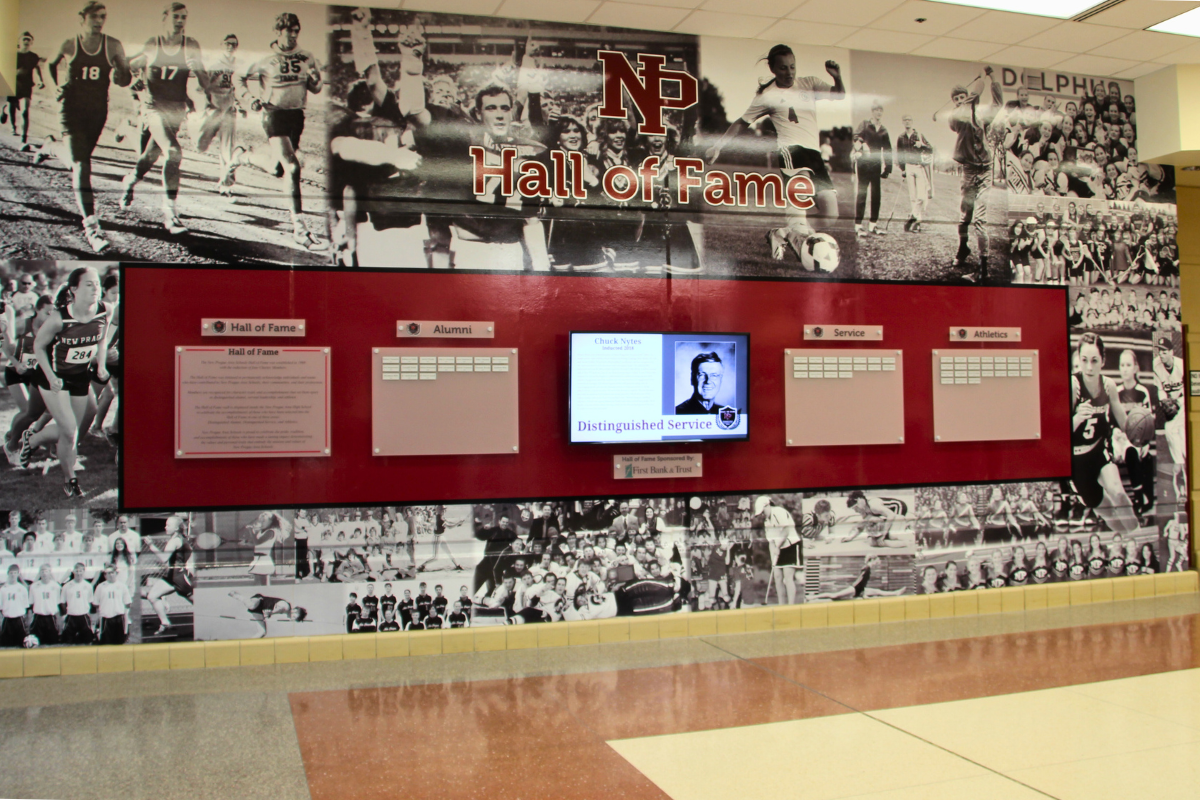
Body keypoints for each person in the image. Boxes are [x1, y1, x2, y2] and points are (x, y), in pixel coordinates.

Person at [706, 45, 844, 261]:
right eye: (782, 68)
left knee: (831, 215)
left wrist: (837, 78)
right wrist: (718, 146)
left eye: (792, 67)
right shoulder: (767, 96)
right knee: (801, 199)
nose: (789, 73)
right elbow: (741, 122)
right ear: (772, 68)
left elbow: (838, 96)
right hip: (790, 151)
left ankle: (780, 234)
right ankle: (801, 247)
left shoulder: (809, 83)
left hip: (814, 154)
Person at [232, 12, 325, 249]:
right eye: (288, 31)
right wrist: (250, 98)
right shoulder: (265, 58)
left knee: (278, 169)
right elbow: (239, 78)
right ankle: (300, 229)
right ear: (277, 32)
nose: (293, 35)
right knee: (293, 167)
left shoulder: (307, 56)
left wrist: (317, 79)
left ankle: (241, 156)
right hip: (273, 115)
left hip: (297, 116)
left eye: (296, 31)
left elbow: (315, 88)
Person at [44, 2, 132, 253]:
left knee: (79, 160)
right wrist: (53, 88)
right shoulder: (69, 43)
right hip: (70, 109)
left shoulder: (113, 45)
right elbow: (49, 65)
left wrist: (123, 72)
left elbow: (124, 80)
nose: (99, 21)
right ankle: (92, 227)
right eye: (94, 16)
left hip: (97, 112)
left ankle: (50, 146)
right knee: (82, 164)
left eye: (103, 17)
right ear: (82, 18)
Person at [17, 267, 111, 498]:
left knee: (73, 433)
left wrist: (101, 365)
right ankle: (71, 481)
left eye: (97, 283)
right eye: (88, 284)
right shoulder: (60, 317)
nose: (95, 288)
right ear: (74, 289)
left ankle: (33, 438)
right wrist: (51, 376)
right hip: (53, 377)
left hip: (79, 376)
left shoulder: (104, 310)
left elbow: (101, 341)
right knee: (68, 430)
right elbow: (38, 346)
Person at [120, 2, 208, 236]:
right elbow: (128, 66)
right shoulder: (153, 43)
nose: (180, 21)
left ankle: (130, 180)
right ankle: (170, 214)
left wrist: (198, 72)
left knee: (152, 155)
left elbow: (203, 78)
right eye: (176, 17)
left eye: (184, 18)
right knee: (173, 152)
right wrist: (134, 82)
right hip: (154, 107)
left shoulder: (191, 45)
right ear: (165, 18)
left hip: (176, 109)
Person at [936, 66, 1001, 282]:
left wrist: (992, 78)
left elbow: (998, 104)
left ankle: (982, 268)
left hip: (985, 172)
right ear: (954, 102)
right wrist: (981, 78)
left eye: (963, 96)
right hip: (969, 172)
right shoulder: (956, 117)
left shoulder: (980, 118)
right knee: (965, 217)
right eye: (957, 98)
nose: (960, 100)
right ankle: (963, 249)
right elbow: (974, 96)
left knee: (980, 221)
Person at [1071, 333, 1138, 535]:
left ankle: (1138, 536)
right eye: (1084, 361)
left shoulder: (1108, 386)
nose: (1089, 367)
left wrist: (1139, 429)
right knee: (1108, 512)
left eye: (1094, 360)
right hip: (1075, 461)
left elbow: (1124, 423)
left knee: (1118, 491)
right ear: (1078, 360)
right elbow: (1056, 437)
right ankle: (1125, 539)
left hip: (1099, 450)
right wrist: (1075, 418)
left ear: (1103, 360)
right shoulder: (1072, 386)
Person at [196, 34, 241, 200]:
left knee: (227, 148)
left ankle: (226, 185)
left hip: (228, 110)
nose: (231, 46)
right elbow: (202, 86)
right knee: (200, 145)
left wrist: (238, 104)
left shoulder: (236, 64)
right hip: (214, 110)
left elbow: (235, 87)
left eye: (234, 44)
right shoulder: (214, 64)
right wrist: (207, 103)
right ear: (221, 45)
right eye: (228, 44)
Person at [140, 514, 194, 636]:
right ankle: (165, 623)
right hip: (171, 577)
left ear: (175, 528)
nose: (165, 527)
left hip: (179, 578)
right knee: (152, 596)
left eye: (168, 525)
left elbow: (164, 558)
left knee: (198, 603)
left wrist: (151, 545)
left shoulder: (175, 540)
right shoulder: (179, 538)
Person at [1153, 333, 1187, 503]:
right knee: (1180, 436)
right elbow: (1160, 389)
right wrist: (1164, 401)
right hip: (1171, 403)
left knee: (1169, 428)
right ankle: (1182, 468)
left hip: (1184, 402)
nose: (1161, 354)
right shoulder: (1156, 366)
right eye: (1159, 351)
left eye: (1165, 351)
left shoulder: (1181, 365)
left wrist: (1179, 402)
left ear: (1172, 352)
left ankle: (1179, 464)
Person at [753, 495, 802, 606]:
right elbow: (771, 542)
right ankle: (781, 605)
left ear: (767, 505)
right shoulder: (767, 522)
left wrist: (777, 546)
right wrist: (773, 559)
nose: (761, 514)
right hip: (777, 548)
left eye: (762, 511)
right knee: (777, 577)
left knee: (787, 577)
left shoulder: (779, 512)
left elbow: (786, 530)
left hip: (790, 545)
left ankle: (791, 606)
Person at [853, 101, 892, 237]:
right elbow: (855, 137)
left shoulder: (884, 130)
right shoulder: (864, 124)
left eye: (881, 110)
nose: (879, 113)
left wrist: (888, 167)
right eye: (876, 110)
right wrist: (862, 144)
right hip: (863, 163)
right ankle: (858, 225)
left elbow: (887, 150)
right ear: (872, 111)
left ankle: (873, 224)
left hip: (876, 165)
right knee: (862, 193)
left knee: (876, 195)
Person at [895, 113, 932, 233]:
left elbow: (930, 149)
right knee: (913, 197)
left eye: (909, 120)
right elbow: (899, 154)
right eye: (905, 120)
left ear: (912, 122)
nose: (907, 122)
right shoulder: (901, 137)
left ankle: (912, 216)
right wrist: (903, 169)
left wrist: (922, 145)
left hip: (919, 166)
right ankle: (918, 223)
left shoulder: (919, 135)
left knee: (921, 196)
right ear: (902, 122)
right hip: (908, 167)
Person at [6, 32, 45, 144]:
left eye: (29, 40)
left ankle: (24, 136)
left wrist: (40, 81)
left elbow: (37, 68)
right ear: (19, 42)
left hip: (26, 85)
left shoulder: (33, 56)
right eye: (24, 39)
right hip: (13, 84)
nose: (26, 42)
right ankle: (13, 127)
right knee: (11, 107)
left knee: (24, 111)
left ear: (32, 42)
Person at [814, 555, 905, 600]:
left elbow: (862, 582)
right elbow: (860, 580)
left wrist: (862, 592)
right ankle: (813, 598)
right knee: (834, 596)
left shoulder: (867, 568)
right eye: (876, 562)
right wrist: (859, 592)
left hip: (861, 589)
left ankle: (896, 593)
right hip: (855, 588)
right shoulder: (866, 568)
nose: (876, 564)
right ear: (872, 560)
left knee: (878, 592)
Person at [227, 590, 305, 638]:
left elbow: (277, 610)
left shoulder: (285, 610)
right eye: (294, 617)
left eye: (294, 619)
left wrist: (270, 613)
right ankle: (237, 596)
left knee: (262, 632)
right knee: (252, 605)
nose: (292, 619)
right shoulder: (286, 606)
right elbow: (280, 607)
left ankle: (247, 644)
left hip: (259, 611)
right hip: (259, 601)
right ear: (294, 611)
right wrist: (271, 612)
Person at [94, 565, 131, 644]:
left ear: (116, 573)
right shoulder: (100, 587)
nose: (110, 575)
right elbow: (96, 603)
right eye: (108, 573)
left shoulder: (122, 586)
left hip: (119, 617)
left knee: (119, 642)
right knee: (106, 642)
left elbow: (127, 604)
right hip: (106, 618)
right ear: (105, 575)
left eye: (112, 572)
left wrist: (125, 619)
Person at [60, 563, 95, 644]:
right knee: (67, 641)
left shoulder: (88, 586)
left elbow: (91, 602)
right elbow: (62, 602)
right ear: (73, 571)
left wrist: (92, 617)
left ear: (84, 571)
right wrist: (64, 615)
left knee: (88, 640)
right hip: (71, 616)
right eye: (77, 571)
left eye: (80, 571)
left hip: (83, 615)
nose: (78, 573)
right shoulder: (67, 586)